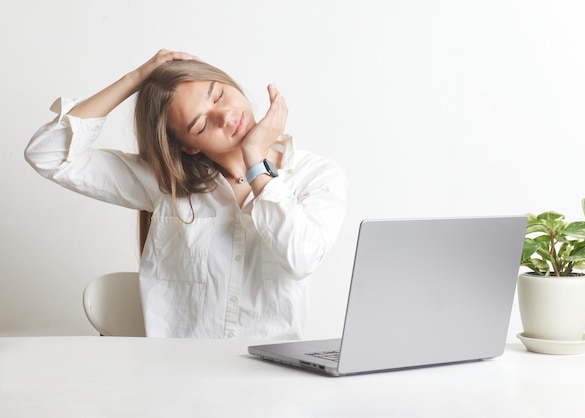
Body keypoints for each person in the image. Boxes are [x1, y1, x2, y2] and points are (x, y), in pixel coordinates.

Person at [25, 49, 348, 339]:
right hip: (178, 374)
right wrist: (135, 79)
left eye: (219, 95)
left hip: (270, 377)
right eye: (200, 124)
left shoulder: (315, 175)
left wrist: (256, 160)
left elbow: (301, 259)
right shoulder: (166, 182)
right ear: (188, 145)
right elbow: (49, 155)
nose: (225, 116)